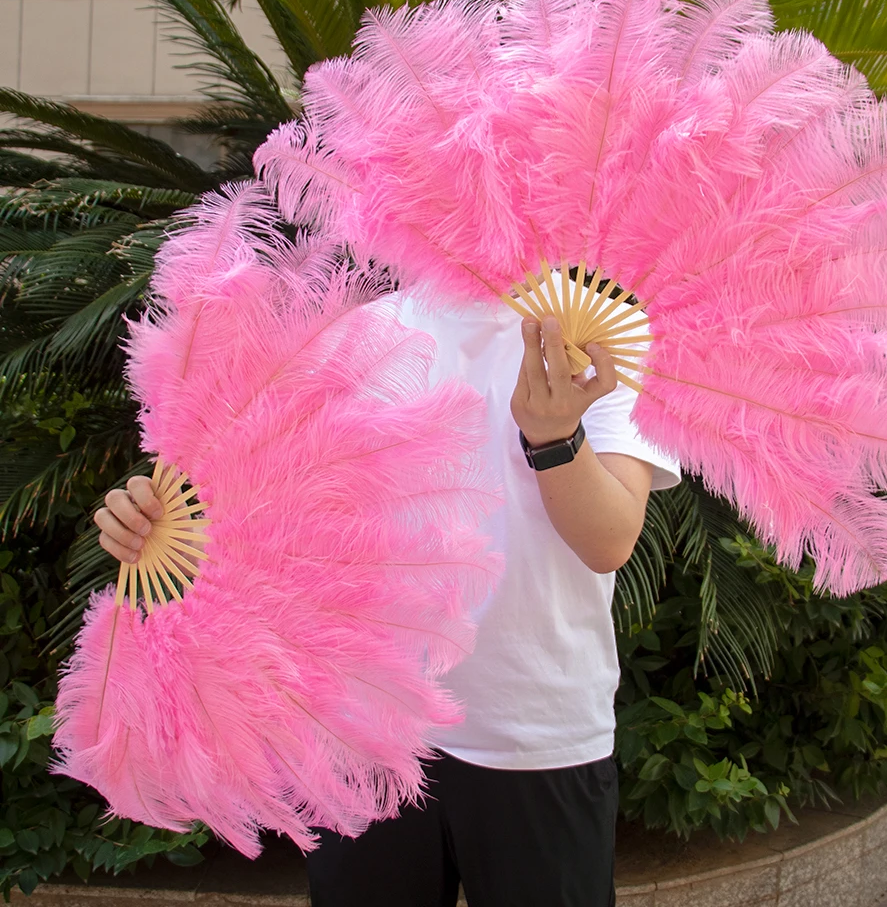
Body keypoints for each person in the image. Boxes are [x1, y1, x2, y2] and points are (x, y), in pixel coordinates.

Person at [94, 291, 681, 907]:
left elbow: (609, 540)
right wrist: (163, 524)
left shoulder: (607, 332)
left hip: (534, 733)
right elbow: (278, 525)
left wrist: (555, 436)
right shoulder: (352, 335)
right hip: (359, 732)